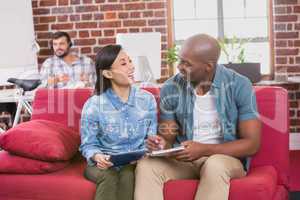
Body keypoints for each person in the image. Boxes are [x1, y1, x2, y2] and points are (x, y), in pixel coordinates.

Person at [134, 34, 261, 200]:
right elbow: (168, 134)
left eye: (187, 64)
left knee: (214, 165)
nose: (179, 67)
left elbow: (252, 144)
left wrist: (205, 149)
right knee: (147, 164)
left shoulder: (239, 85)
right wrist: (161, 144)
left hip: (224, 159)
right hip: (185, 161)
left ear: (208, 66)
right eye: (180, 60)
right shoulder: (171, 87)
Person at [79, 44, 157, 200]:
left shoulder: (147, 100)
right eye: (124, 63)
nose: (131, 66)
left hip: (133, 162)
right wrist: (97, 156)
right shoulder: (94, 104)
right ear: (108, 73)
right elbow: (88, 144)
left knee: (129, 175)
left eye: (130, 61)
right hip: (101, 164)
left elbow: (151, 138)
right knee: (109, 176)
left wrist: (148, 150)